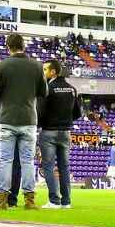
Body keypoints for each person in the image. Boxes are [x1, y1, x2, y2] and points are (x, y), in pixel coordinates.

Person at [0, 34, 47, 210]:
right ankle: (29, 200)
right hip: (29, 119)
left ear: (8, 47)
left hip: (7, 118)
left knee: (5, 161)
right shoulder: (37, 66)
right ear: (24, 46)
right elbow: (43, 92)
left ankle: (2, 201)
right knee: (27, 161)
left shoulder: (2, 65)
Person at [37, 60, 80, 209]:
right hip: (66, 132)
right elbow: (77, 113)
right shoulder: (72, 89)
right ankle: (66, 201)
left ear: (53, 72)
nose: (43, 73)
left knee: (48, 166)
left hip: (49, 131)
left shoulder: (47, 88)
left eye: (45, 70)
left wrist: (44, 124)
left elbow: (40, 112)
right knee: (64, 167)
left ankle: (54, 201)